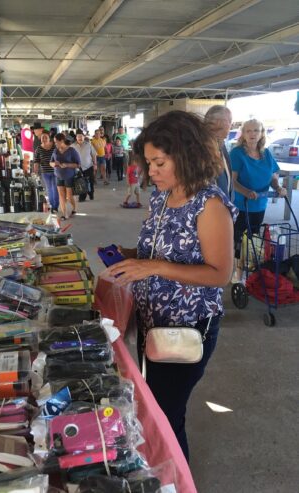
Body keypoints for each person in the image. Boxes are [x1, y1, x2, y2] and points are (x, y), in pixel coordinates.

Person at [107, 110, 237, 462]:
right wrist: (133, 255)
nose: (151, 172)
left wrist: (153, 266)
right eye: (148, 163)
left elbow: (219, 273)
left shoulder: (209, 205)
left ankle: (174, 480)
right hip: (152, 323)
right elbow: (160, 252)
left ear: (186, 156)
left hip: (187, 329)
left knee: (166, 416)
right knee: (153, 405)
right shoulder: (162, 198)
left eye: (159, 162)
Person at [230, 118, 287, 280]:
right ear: (243, 134)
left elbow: (273, 176)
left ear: (262, 133)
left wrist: (278, 187)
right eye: (248, 131)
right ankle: (237, 275)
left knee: (253, 238)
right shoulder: (237, 153)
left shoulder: (266, 153)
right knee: (239, 240)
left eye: (256, 130)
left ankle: (248, 274)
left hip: (260, 204)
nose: (252, 134)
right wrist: (247, 192)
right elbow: (232, 181)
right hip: (242, 204)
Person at [204, 105, 234, 200]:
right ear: (221, 123)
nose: (231, 125)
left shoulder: (221, 143)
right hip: (212, 207)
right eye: (230, 121)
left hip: (225, 203)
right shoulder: (203, 148)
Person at [50, 133, 81, 220]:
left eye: (56, 142)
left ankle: (74, 208)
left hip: (69, 176)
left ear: (62, 141)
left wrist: (67, 165)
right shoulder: (55, 151)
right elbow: (50, 162)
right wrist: (54, 164)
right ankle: (65, 214)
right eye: (55, 142)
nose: (55, 144)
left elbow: (78, 164)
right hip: (58, 175)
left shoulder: (72, 150)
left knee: (69, 196)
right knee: (61, 196)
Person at [34, 130, 59, 212]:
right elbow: (36, 161)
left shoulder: (54, 146)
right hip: (45, 172)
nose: (44, 139)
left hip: (55, 171)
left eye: (45, 137)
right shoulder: (39, 149)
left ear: (49, 138)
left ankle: (56, 206)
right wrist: (35, 171)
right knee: (49, 189)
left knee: (55, 188)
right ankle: (52, 205)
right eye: (42, 137)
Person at [72, 131, 96, 202]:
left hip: (89, 166)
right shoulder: (72, 146)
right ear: (76, 138)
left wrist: (95, 164)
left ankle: (91, 193)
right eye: (78, 136)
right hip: (78, 168)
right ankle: (82, 196)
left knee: (90, 181)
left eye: (81, 136)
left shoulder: (89, 145)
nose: (80, 138)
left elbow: (94, 155)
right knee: (80, 182)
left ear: (84, 137)